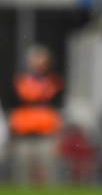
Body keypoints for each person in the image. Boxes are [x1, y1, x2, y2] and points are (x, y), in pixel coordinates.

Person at [9, 44, 63, 185]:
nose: (38, 64)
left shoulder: (53, 81)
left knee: (48, 173)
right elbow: (19, 99)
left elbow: (54, 99)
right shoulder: (20, 81)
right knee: (22, 174)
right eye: (35, 60)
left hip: (46, 134)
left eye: (41, 60)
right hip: (24, 135)